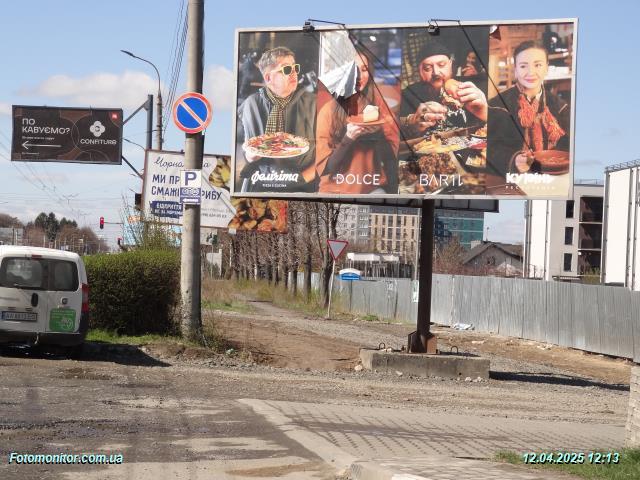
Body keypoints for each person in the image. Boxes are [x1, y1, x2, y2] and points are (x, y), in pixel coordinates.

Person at [315, 51, 399, 194]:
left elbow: (391, 157)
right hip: (335, 190)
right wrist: (348, 138)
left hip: (370, 188)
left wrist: (378, 134)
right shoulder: (328, 111)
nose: (359, 76)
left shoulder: (379, 105)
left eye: (364, 69)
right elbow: (326, 169)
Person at [238, 46, 317, 192]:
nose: (294, 73)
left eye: (295, 68)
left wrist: (303, 178)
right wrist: (252, 155)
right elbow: (247, 153)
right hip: (262, 185)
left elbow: (327, 153)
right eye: (287, 69)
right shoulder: (251, 103)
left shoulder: (313, 102)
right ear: (268, 78)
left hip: (303, 188)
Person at [488, 40, 570, 177]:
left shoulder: (561, 107)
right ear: (515, 70)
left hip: (554, 177)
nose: (531, 72)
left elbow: (569, 146)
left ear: (546, 68)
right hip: (512, 178)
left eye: (538, 65)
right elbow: (489, 149)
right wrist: (514, 160)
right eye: (523, 66)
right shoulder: (497, 105)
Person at [399, 40, 488, 136]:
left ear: (450, 64)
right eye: (427, 68)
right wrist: (410, 122)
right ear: (419, 71)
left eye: (441, 65)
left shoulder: (470, 87)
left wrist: (484, 111)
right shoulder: (408, 94)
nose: (436, 72)